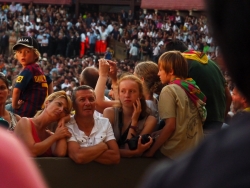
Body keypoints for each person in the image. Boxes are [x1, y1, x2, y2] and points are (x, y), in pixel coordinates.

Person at [138, 1, 250, 187]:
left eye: (161, 67)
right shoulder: (209, 63)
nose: (159, 72)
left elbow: (172, 125)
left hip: (200, 137)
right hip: (220, 128)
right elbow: (228, 98)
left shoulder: (171, 178)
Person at [143, 51, 205, 160]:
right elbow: (182, 123)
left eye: (161, 70)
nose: (158, 74)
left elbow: (171, 126)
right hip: (194, 151)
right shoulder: (192, 87)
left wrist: (151, 151)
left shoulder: (169, 90)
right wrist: (159, 132)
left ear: (171, 71)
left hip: (174, 152)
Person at [165, 40, 232, 134]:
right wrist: (220, 119)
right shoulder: (211, 62)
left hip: (197, 127)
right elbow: (228, 96)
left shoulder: (181, 64)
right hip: (217, 124)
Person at [102, 73, 156, 157]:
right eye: (123, 91)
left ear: (140, 95)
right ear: (119, 94)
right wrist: (134, 153)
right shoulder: (109, 113)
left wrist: (134, 122)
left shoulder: (150, 120)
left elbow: (129, 148)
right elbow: (106, 148)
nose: (127, 95)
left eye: (132, 91)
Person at [66, 85, 120, 164]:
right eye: (82, 100)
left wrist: (83, 151)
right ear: (73, 105)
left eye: (91, 99)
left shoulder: (105, 122)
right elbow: (78, 156)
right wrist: (102, 147)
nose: (88, 103)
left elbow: (115, 157)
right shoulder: (67, 125)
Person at [14, 91, 72, 157]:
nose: (61, 109)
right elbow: (31, 151)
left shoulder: (51, 135)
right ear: (47, 103)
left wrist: (63, 121)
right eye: (59, 104)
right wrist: (56, 136)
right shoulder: (25, 122)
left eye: (65, 110)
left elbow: (60, 153)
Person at [12, 36, 51, 117]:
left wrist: (15, 105)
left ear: (36, 55)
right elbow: (50, 81)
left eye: (27, 51)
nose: (23, 55)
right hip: (38, 112)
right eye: (19, 52)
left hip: (25, 112)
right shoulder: (38, 69)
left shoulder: (28, 70)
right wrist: (48, 102)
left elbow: (16, 90)